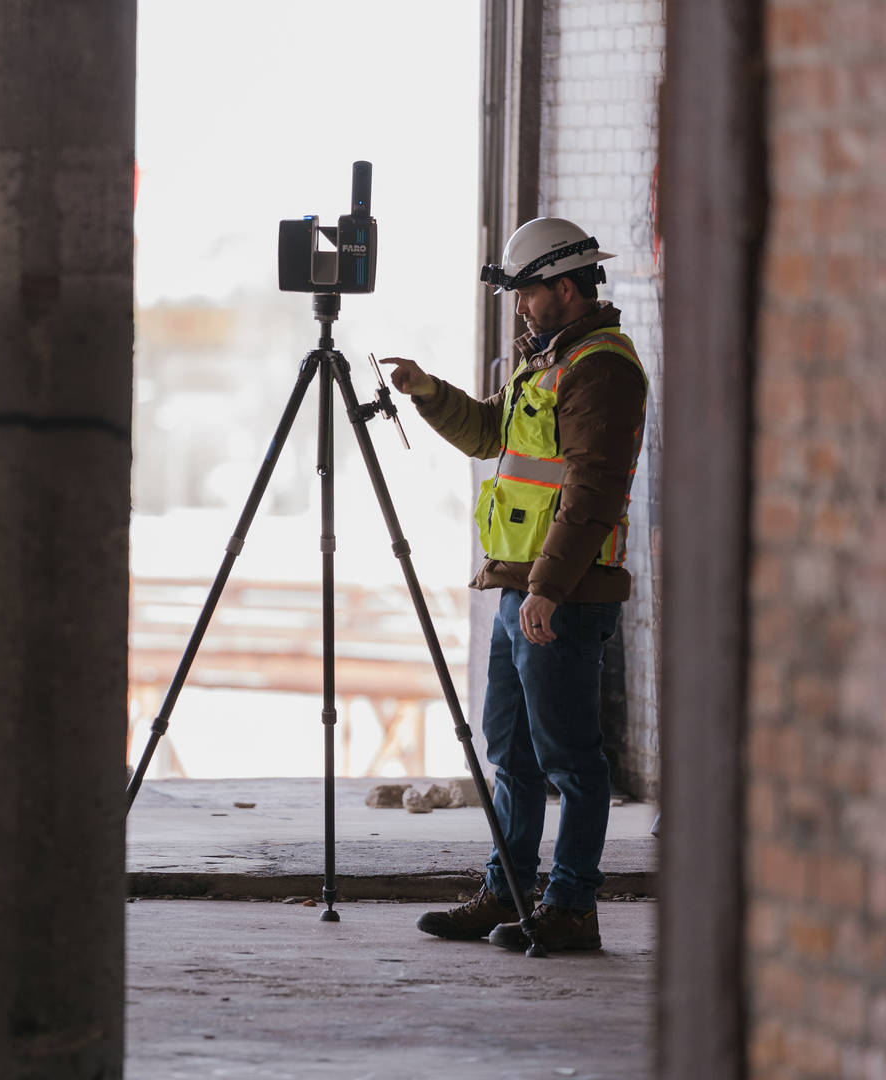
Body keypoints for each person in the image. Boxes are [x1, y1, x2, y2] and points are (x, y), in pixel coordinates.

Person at [381, 217, 647, 953]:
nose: (521, 305)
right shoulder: (547, 361)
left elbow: (593, 491)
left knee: (570, 758)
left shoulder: (603, 369)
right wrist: (429, 392)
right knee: (512, 754)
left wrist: (548, 591)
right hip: (519, 589)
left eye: (529, 292)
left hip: (560, 596)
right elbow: (490, 433)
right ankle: (508, 889)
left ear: (566, 288)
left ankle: (570, 909)